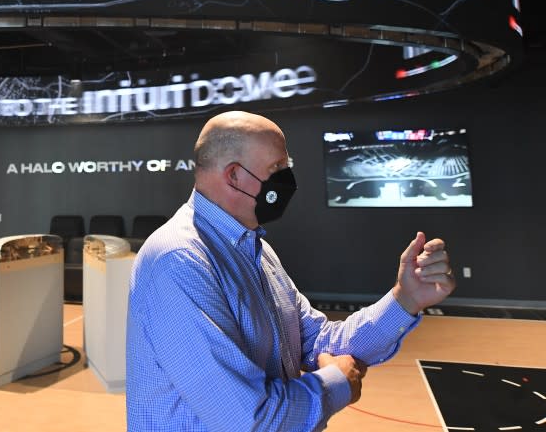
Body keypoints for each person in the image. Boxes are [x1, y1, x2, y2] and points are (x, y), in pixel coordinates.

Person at [125, 111, 455, 432]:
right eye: (277, 168)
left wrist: (405, 298)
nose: (288, 181)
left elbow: (321, 341)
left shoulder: (255, 249)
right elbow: (249, 422)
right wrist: (336, 384)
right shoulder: (178, 261)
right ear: (234, 176)